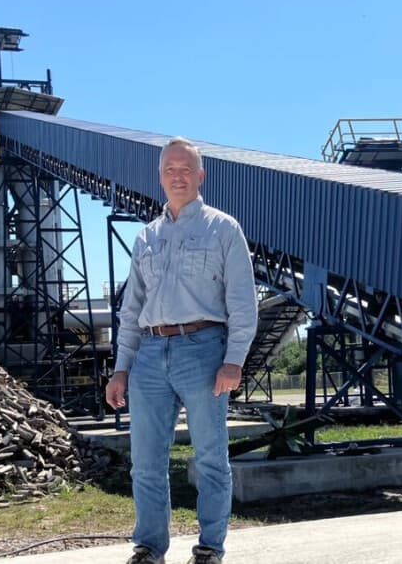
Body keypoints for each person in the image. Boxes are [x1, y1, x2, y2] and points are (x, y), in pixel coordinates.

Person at [107, 137, 258, 564]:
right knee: (146, 463)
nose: (178, 175)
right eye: (170, 168)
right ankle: (149, 548)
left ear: (200, 176)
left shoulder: (223, 228)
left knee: (211, 458)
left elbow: (243, 303)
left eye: (186, 168)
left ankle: (210, 549)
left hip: (204, 350)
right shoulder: (146, 238)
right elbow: (131, 309)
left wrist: (234, 361)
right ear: (160, 176)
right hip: (150, 355)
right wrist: (121, 369)